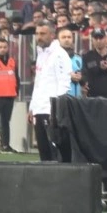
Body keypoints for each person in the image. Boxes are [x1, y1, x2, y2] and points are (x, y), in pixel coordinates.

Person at [28, 20, 72, 161]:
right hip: (39, 108)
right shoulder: (41, 54)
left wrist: (57, 110)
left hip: (50, 110)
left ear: (52, 35)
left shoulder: (59, 54)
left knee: (53, 150)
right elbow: (38, 83)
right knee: (43, 150)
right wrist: (32, 107)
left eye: (42, 34)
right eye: (37, 34)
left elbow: (64, 84)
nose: (39, 37)